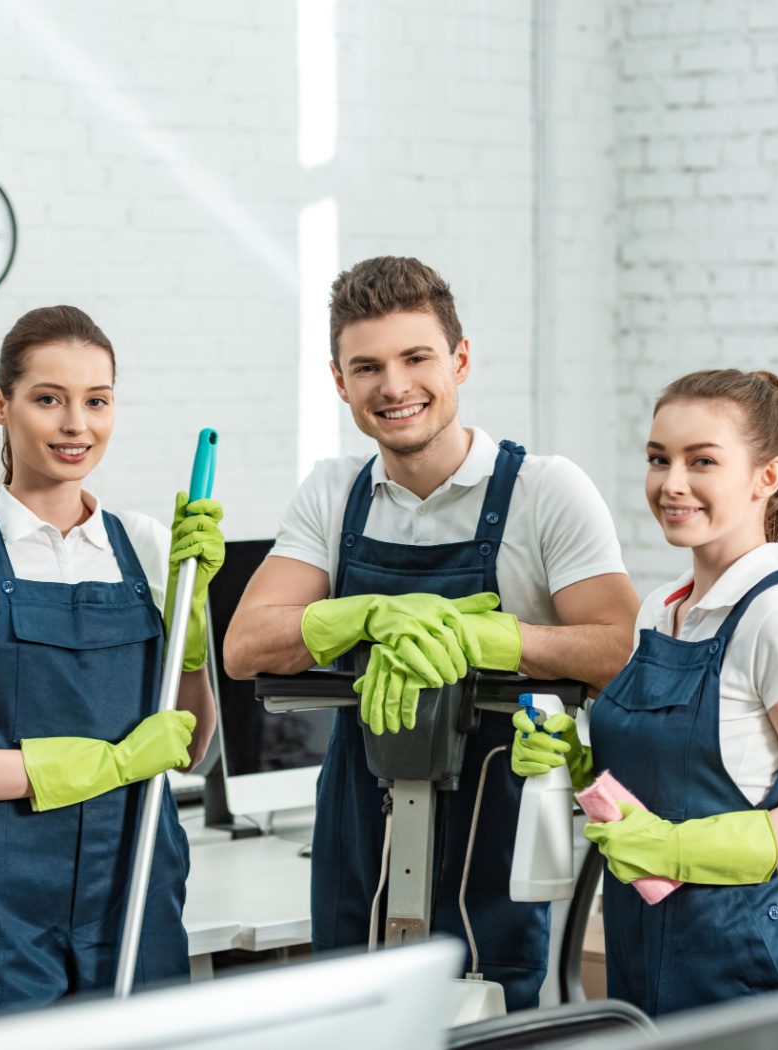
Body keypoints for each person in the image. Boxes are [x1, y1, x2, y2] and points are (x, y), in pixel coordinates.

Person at [224, 256, 638, 1010]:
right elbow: (247, 644)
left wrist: (491, 641)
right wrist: (371, 616)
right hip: (358, 816)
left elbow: (618, 648)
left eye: (416, 357)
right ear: (339, 380)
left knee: (486, 1014)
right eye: (367, 366)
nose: (394, 386)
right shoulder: (334, 492)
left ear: (461, 359)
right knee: (349, 1016)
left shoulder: (544, 492)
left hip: (499, 816)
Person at [0, 305, 224, 1027]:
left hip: (135, 889)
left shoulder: (146, 543)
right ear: (0, 405)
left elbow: (190, 751)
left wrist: (193, 634)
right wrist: (100, 765)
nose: (77, 424)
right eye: (49, 399)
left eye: (97, 401)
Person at [511, 369, 778, 1017]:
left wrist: (678, 850)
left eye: (702, 461)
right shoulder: (658, 611)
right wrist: (577, 760)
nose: (671, 483)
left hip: (739, 970)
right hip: (641, 957)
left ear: (768, 478)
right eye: (657, 459)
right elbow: (656, 778)